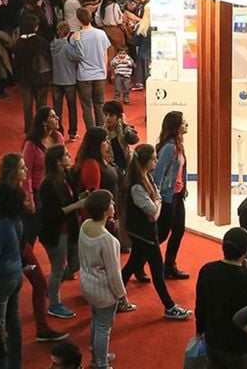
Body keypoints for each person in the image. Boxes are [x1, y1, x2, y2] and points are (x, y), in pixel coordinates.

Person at [0, 154, 67, 342]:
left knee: (15, 295)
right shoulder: (7, 195)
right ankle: (38, 328)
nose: (26, 170)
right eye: (23, 168)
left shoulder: (12, 191)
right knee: (32, 287)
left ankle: (16, 331)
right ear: (14, 172)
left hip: (23, 246)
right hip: (19, 249)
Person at [119, 144, 191, 319]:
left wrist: (156, 204)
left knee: (132, 265)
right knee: (157, 271)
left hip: (145, 233)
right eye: (153, 159)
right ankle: (169, 306)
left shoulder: (147, 178)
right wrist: (156, 205)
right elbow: (153, 213)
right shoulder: (137, 186)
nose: (156, 161)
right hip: (144, 234)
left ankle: (117, 298)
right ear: (145, 162)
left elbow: (156, 200)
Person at [196, 227, 247, 369]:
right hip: (241, 346)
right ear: (246, 251)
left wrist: (199, 331)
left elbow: (201, 305)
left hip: (213, 340)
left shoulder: (207, 270)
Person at [78, 190, 125, 369]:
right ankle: (100, 363)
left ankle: (97, 352)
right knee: (104, 327)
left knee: (96, 320)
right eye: (111, 202)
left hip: (87, 284)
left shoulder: (85, 226)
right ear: (106, 211)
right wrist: (122, 296)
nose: (114, 205)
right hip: (103, 291)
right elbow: (114, 275)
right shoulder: (108, 241)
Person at [39, 145, 86, 320]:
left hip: (70, 229)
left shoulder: (65, 176)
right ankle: (54, 304)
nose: (69, 156)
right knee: (58, 268)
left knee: (76, 263)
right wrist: (77, 205)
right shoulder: (48, 184)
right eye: (66, 155)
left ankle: (52, 288)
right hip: (56, 232)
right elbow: (53, 213)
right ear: (58, 161)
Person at [0, 182, 25, 369]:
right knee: (13, 320)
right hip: (16, 274)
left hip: (2, 279)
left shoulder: (0, 227)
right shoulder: (16, 220)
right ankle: (15, 363)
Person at [153, 111, 190, 280]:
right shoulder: (169, 148)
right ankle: (140, 261)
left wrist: (184, 188)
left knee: (178, 230)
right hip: (168, 197)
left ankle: (169, 265)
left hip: (177, 195)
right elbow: (158, 174)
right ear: (176, 126)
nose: (186, 125)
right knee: (161, 233)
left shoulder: (177, 145)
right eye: (183, 122)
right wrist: (157, 196)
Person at [13, 15, 53, 134]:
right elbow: (48, 60)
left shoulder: (18, 43)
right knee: (42, 105)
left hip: (25, 79)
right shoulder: (42, 42)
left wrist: (17, 78)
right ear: (35, 27)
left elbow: (16, 63)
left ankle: (29, 130)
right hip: (40, 79)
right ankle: (41, 128)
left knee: (27, 105)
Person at [75, 8, 110, 132]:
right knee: (99, 105)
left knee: (86, 105)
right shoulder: (101, 34)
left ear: (78, 20)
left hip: (84, 75)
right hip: (100, 74)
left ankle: (91, 132)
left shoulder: (76, 36)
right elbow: (106, 54)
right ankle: (101, 131)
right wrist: (104, 70)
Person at [51, 22, 83, 142]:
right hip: (69, 80)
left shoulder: (52, 45)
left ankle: (58, 132)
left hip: (56, 80)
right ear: (68, 32)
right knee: (72, 107)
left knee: (57, 108)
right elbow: (80, 55)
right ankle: (72, 132)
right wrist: (78, 42)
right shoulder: (68, 46)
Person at [102, 101, 138, 177]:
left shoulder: (124, 129)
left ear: (119, 117)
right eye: (105, 115)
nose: (107, 118)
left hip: (127, 165)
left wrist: (124, 124)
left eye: (111, 115)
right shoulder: (102, 133)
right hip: (111, 170)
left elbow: (134, 140)